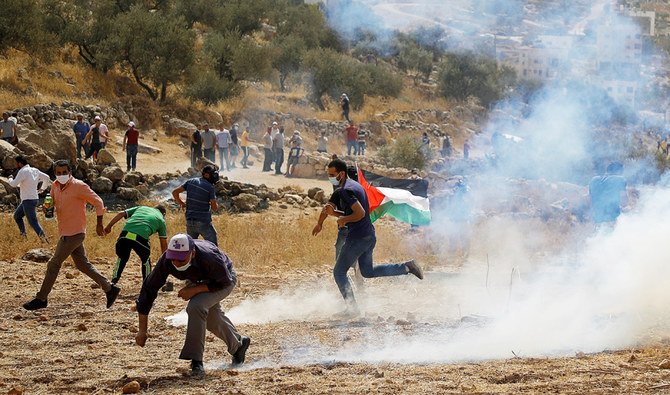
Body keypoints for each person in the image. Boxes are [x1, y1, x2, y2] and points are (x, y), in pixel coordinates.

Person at [315, 159, 424, 315]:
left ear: (342, 173)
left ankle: (352, 309)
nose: (330, 177)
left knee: (339, 272)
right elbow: (355, 212)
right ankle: (407, 267)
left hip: (357, 238)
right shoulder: (355, 186)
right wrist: (336, 214)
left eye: (332, 175)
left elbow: (359, 213)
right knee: (367, 271)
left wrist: (344, 219)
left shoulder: (346, 190)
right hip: (368, 236)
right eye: (329, 174)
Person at [134, 234, 251, 377]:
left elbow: (224, 281)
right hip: (196, 279)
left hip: (222, 279)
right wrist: (142, 330)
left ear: (193, 253)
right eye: (173, 258)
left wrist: (195, 290)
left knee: (196, 307)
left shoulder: (209, 257)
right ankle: (238, 345)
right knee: (211, 318)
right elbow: (149, 290)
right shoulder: (167, 260)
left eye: (181, 259)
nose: (176, 263)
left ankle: (196, 361)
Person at [22, 160, 120, 311]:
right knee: (82, 264)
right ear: (55, 173)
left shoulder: (79, 186)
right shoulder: (54, 186)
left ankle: (41, 299)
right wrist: (46, 208)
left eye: (64, 172)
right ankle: (109, 288)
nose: (61, 175)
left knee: (53, 264)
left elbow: (99, 202)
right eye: (58, 173)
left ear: (70, 172)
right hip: (65, 231)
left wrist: (99, 223)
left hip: (75, 233)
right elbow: (52, 204)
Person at [104, 205, 169, 285]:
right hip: (140, 238)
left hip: (125, 235)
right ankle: (147, 284)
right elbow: (163, 243)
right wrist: (164, 259)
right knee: (146, 261)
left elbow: (121, 214)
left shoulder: (142, 208)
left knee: (122, 258)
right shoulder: (161, 220)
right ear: (164, 214)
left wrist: (108, 226)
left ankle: (113, 282)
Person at [172, 165, 219, 246]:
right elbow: (214, 208)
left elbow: (175, 192)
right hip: (203, 222)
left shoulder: (191, 181)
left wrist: (182, 203)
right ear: (207, 175)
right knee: (213, 247)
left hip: (190, 221)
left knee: (191, 248)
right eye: (213, 174)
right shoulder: (210, 187)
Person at [8, 155, 51, 242]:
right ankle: (23, 237)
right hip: (32, 199)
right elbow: (47, 177)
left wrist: (10, 179)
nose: (15, 165)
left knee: (33, 222)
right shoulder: (34, 170)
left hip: (28, 200)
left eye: (16, 163)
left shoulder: (22, 171)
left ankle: (45, 241)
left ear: (19, 163)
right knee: (17, 216)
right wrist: (43, 188)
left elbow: (13, 184)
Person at [588, 162, 627, 228]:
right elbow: (623, 199)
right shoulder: (620, 179)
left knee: (598, 236)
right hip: (612, 217)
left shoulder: (594, 180)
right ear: (619, 171)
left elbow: (590, 198)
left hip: (597, 218)